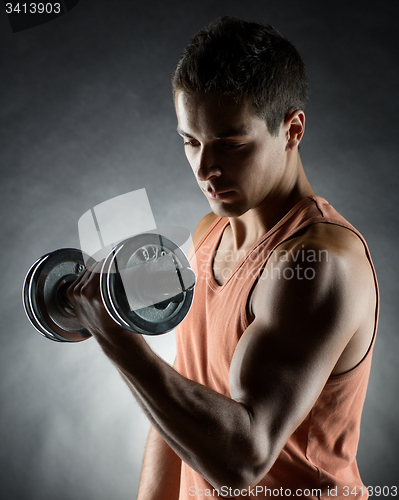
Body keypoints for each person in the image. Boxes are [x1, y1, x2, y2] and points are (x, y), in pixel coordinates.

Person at [68, 17, 379, 499]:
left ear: (292, 129)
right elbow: (180, 397)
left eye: (231, 145)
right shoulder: (209, 232)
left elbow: (244, 459)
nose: (205, 169)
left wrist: (118, 341)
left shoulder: (320, 263)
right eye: (191, 142)